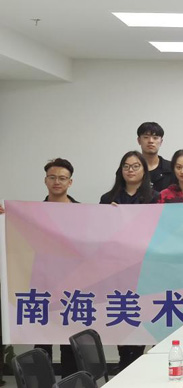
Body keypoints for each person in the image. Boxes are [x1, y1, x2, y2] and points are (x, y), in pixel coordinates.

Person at [99, 151, 158, 371]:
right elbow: (98, 230)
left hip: (146, 266)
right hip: (117, 267)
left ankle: (138, 362)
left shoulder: (154, 197)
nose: (130, 170)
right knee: (121, 313)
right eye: (126, 166)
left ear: (144, 170)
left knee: (142, 313)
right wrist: (110, 215)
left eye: (135, 166)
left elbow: (159, 228)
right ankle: (124, 362)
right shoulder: (108, 198)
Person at [37, 158, 78, 377]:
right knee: (41, 340)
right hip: (42, 284)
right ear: (45, 180)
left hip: (73, 286)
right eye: (52, 177)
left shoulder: (83, 211)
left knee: (70, 342)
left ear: (70, 182)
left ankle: (70, 382)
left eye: (62, 178)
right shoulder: (33, 212)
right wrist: (6, 217)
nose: (57, 182)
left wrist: (114, 214)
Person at [137, 122, 172, 192]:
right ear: (139, 140)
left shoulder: (171, 168)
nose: (150, 141)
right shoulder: (130, 169)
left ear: (161, 141)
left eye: (155, 138)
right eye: (146, 137)